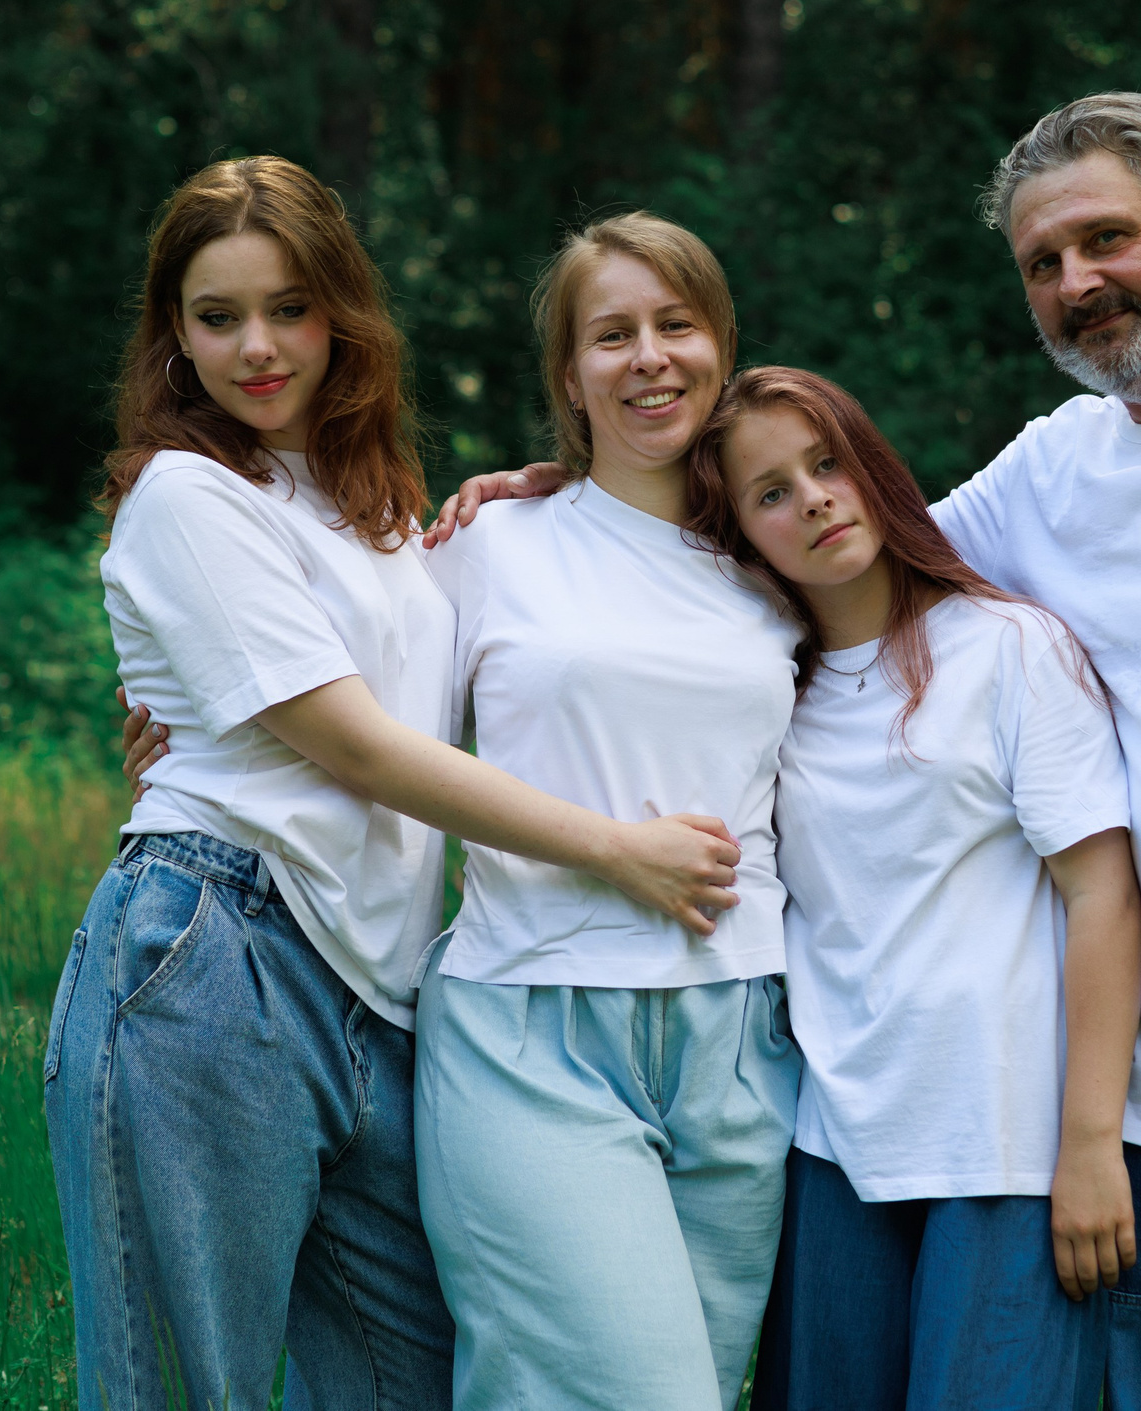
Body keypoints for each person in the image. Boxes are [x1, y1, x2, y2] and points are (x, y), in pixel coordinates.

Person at [432, 94, 1141, 1411]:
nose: (1076, 281)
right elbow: (836, 545)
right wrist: (576, 498)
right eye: (1043, 262)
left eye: (1106, 239)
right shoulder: (1052, 472)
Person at [50, 160, 750, 1411]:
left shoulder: (362, 505)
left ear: (340, 316)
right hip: (215, 952)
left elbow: (471, 655)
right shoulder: (188, 495)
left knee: (412, 1379)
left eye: (290, 309)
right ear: (173, 338)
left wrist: (559, 494)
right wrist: (614, 849)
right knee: (193, 1387)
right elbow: (361, 747)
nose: (258, 347)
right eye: (217, 317)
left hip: (379, 989)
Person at [684, 366, 1141, 1411]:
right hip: (831, 1147)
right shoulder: (763, 692)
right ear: (741, 534)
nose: (812, 500)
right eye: (770, 492)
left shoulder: (1008, 647)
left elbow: (1103, 900)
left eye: (827, 463)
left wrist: (1090, 1146)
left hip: (1007, 1147)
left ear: (872, 466)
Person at [413, 213, 804, 1411]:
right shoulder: (488, 545)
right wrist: (176, 732)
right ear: (569, 377)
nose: (648, 357)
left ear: (720, 346)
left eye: (675, 324)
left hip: (743, 1040)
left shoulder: (782, 556)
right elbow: (360, 742)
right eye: (611, 334)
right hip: (536, 1023)